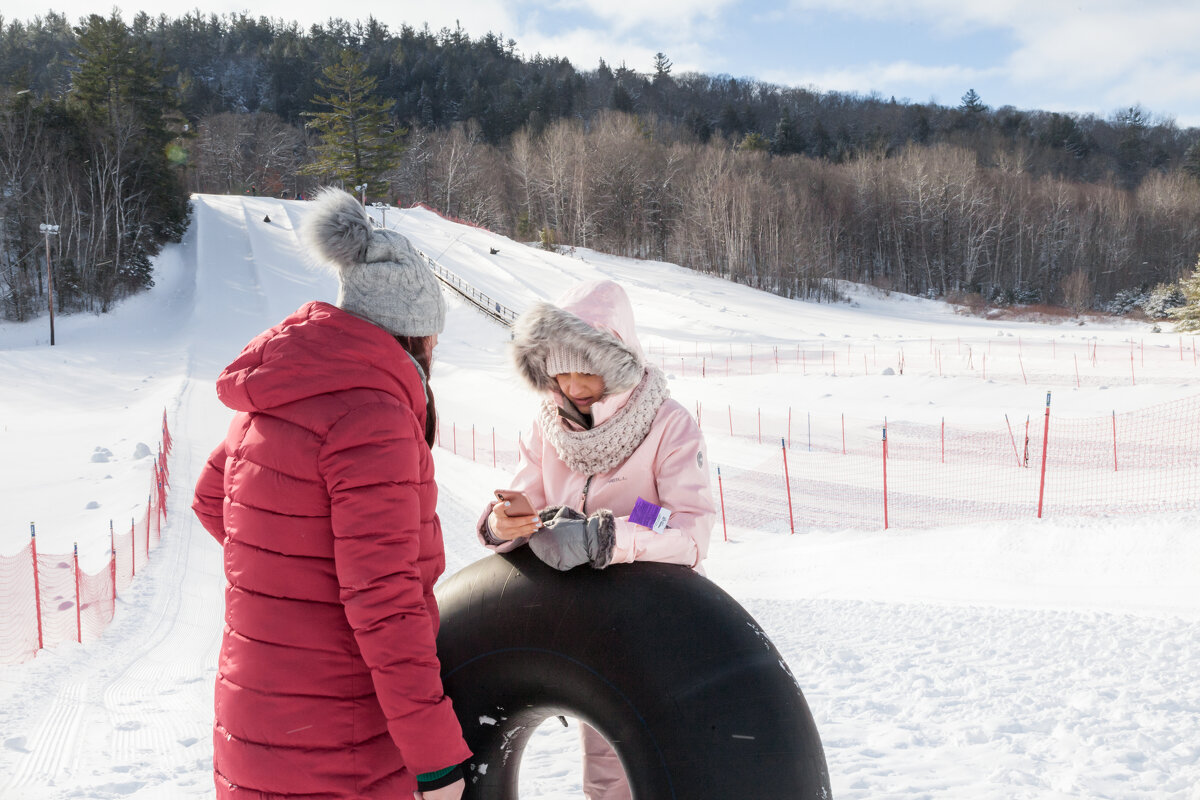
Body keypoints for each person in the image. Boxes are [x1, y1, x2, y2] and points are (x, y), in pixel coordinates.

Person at [192, 187, 470, 799]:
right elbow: (386, 602)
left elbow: (213, 499)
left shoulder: (278, 391)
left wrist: (294, 571)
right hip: (338, 738)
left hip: (255, 722)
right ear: (416, 338)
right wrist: (436, 758)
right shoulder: (374, 417)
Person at [478, 279, 716, 800]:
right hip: (587, 622)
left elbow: (689, 527)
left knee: (660, 764)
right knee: (606, 777)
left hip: (654, 620)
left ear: (616, 360)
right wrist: (505, 522)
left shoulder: (668, 426)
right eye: (559, 367)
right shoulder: (548, 427)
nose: (571, 381)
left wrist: (612, 532)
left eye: (585, 365)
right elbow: (525, 500)